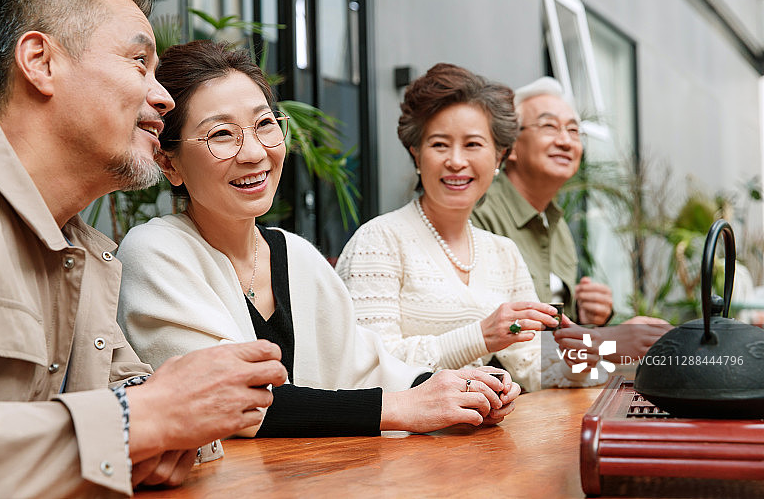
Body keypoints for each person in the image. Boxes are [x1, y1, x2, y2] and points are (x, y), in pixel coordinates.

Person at [0, 0, 288, 496]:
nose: (163, 98)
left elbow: (139, 399)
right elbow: (137, 411)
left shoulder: (90, 254)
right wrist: (134, 420)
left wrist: (166, 424)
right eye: (140, 62)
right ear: (40, 62)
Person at [116, 40, 520, 439]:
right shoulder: (155, 252)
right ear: (168, 163)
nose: (255, 152)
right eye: (221, 134)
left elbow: (367, 367)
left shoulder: (295, 255)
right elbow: (228, 400)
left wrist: (464, 393)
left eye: (264, 124)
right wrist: (407, 406)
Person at [336, 63, 595, 392]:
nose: (456, 161)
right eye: (440, 145)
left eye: (473, 145)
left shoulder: (503, 252)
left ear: (499, 157)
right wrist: (481, 336)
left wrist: (577, 362)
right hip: (399, 440)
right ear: (417, 155)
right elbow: (368, 368)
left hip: (479, 434)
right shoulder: (378, 241)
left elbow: (534, 366)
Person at [470, 77, 614, 326]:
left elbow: (557, 336)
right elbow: (490, 329)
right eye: (549, 127)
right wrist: (605, 342)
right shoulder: (478, 212)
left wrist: (587, 317)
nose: (566, 142)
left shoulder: (559, 229)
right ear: (510, 146)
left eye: (573, 131)